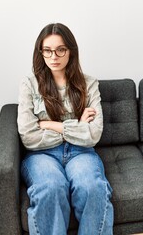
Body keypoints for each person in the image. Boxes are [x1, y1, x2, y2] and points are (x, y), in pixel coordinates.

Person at [17, 23, 114, 234]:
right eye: (47, 50)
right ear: (40, 52)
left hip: (81, 152)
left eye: (61, 49)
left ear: (71, 51)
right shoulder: (29, 84)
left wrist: (51, 125)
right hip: (41, 155)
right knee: (51, 188)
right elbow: (29, 137)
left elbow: (94, 134)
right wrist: (77, 126)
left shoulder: (89, 84)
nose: (54, 56)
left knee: (93, 187)